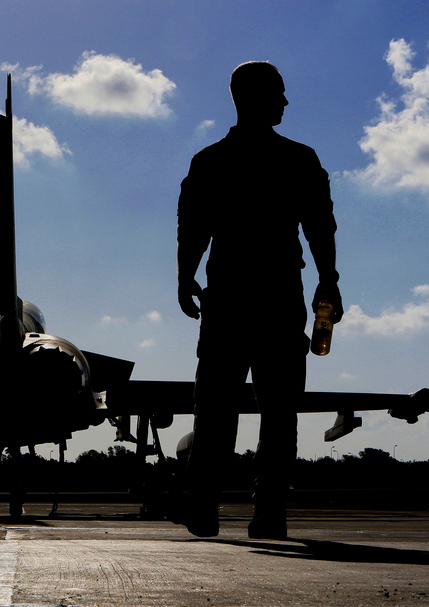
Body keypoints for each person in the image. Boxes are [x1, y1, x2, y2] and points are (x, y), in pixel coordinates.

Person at [176, 61, 343, 540]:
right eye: (280, 94)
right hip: (275, 295)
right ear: (251, 97)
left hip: (228, 295)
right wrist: (328, 281)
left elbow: (193, 225)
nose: (287, 103)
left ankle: (205, 505)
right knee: (277, 409)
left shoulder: (210, 160)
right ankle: (268, 511)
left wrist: (185, 274)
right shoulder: (299, 159)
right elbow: (320, 228)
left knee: (215, 407)